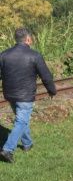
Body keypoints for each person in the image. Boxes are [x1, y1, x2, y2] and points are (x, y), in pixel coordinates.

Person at [0, 28, 57, 163]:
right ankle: (8, 149)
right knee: (21, 120)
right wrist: (52, 90)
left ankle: (27, 144)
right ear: (28, 39)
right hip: (25, 95)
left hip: (10, 94)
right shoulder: (35, 55)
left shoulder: (3, 55)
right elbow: (46, 76)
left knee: (21, 119)